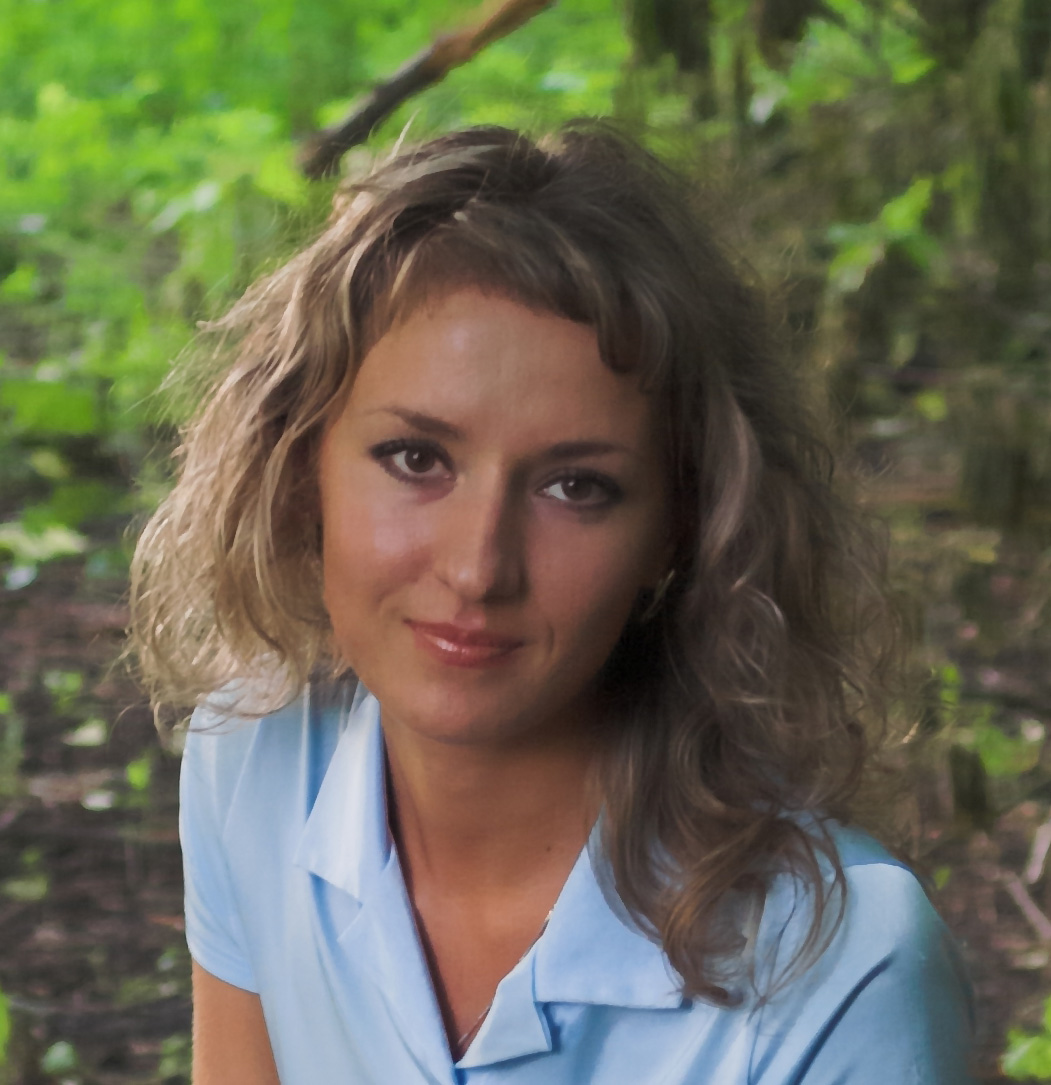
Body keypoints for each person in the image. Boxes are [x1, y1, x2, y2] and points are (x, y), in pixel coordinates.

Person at [130, 122, 975, 1084]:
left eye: (576, 486)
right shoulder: (255, 755)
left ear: (682, 528)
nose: (477, 568)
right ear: (299, 463)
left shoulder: (844, 966)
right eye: (415, 458)